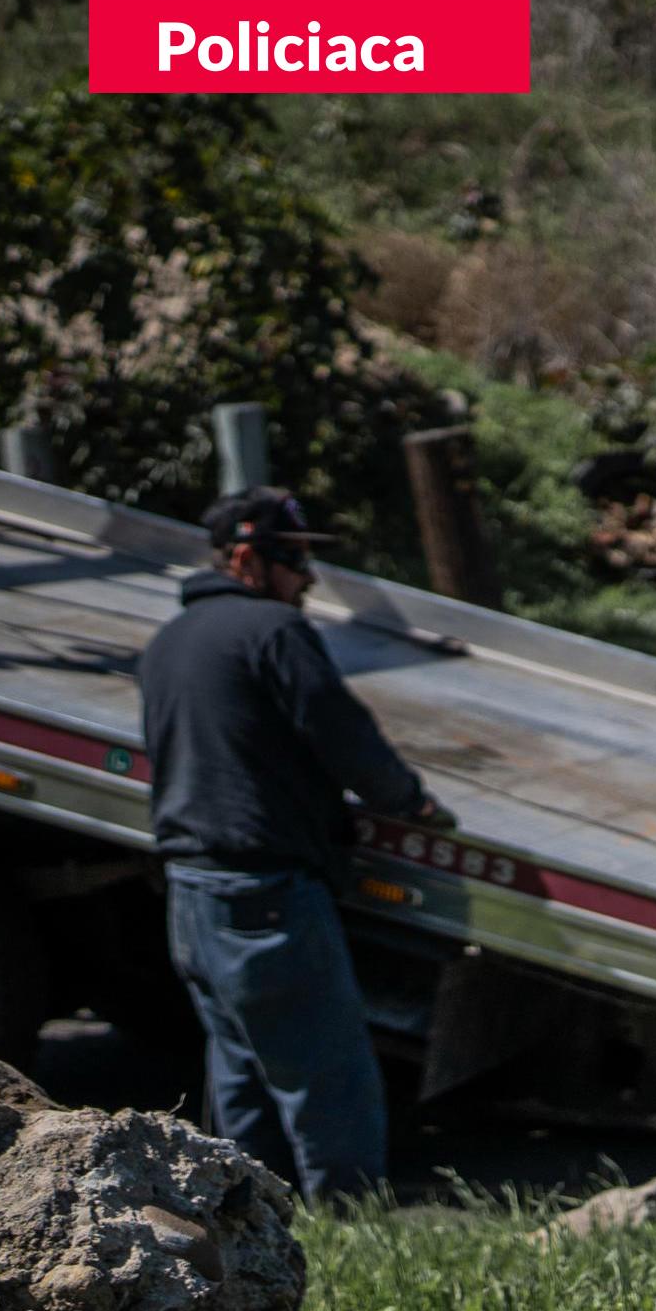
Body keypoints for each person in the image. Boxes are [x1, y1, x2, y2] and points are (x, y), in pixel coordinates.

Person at [135, 490, 453, 1201]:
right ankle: (352, 1227)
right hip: (263, 896)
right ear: (247, 558)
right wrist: (409, 801)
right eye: (295, 558)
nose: (307, 577)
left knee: (241, 1070)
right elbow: (342, 732)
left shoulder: (168, 641)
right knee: (326, 1072)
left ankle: (244, 1217)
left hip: (191, 890)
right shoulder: (271, 630)